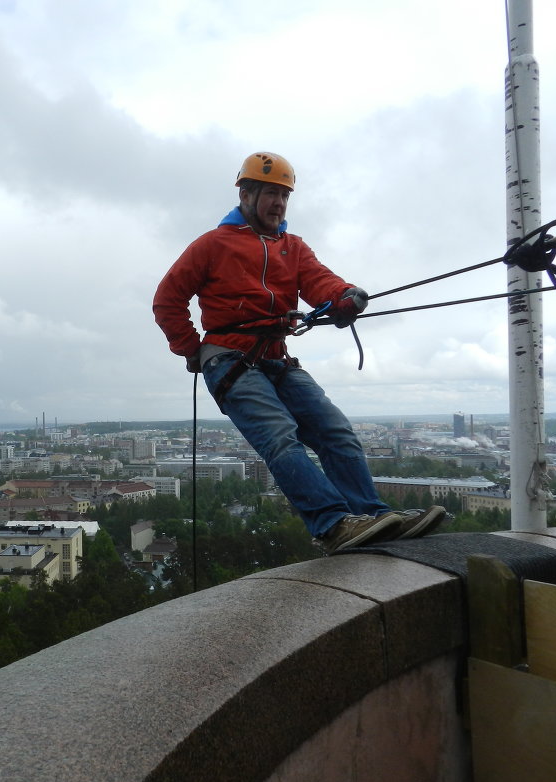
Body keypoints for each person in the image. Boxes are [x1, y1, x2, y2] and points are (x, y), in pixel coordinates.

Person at [153, 152, 445, 554]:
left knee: (336, 432)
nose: (279, 204)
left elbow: (319, 280)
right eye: (271, 194)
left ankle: (372, 515)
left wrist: (343, 296)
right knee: (279, 436)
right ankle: (331, 523)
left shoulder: (294, 248)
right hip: (228, 358)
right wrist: (191, 350)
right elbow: (168, 300)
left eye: (284, 196)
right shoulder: (212, 245)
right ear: (246, 194)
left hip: (276, 356)